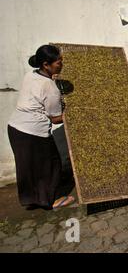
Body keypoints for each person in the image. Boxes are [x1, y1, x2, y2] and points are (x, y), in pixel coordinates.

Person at [8, 45, 75, 210]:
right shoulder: (51, 88)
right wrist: (73, 116)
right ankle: (52, 200)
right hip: (33, 133)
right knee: (51, 166)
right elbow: (55, 119)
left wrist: (52, 78)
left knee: (27, 167)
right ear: (46, 64)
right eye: (58, 62)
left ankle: (31, 199)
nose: (61, 65)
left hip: (15, 128)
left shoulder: (31, 74)